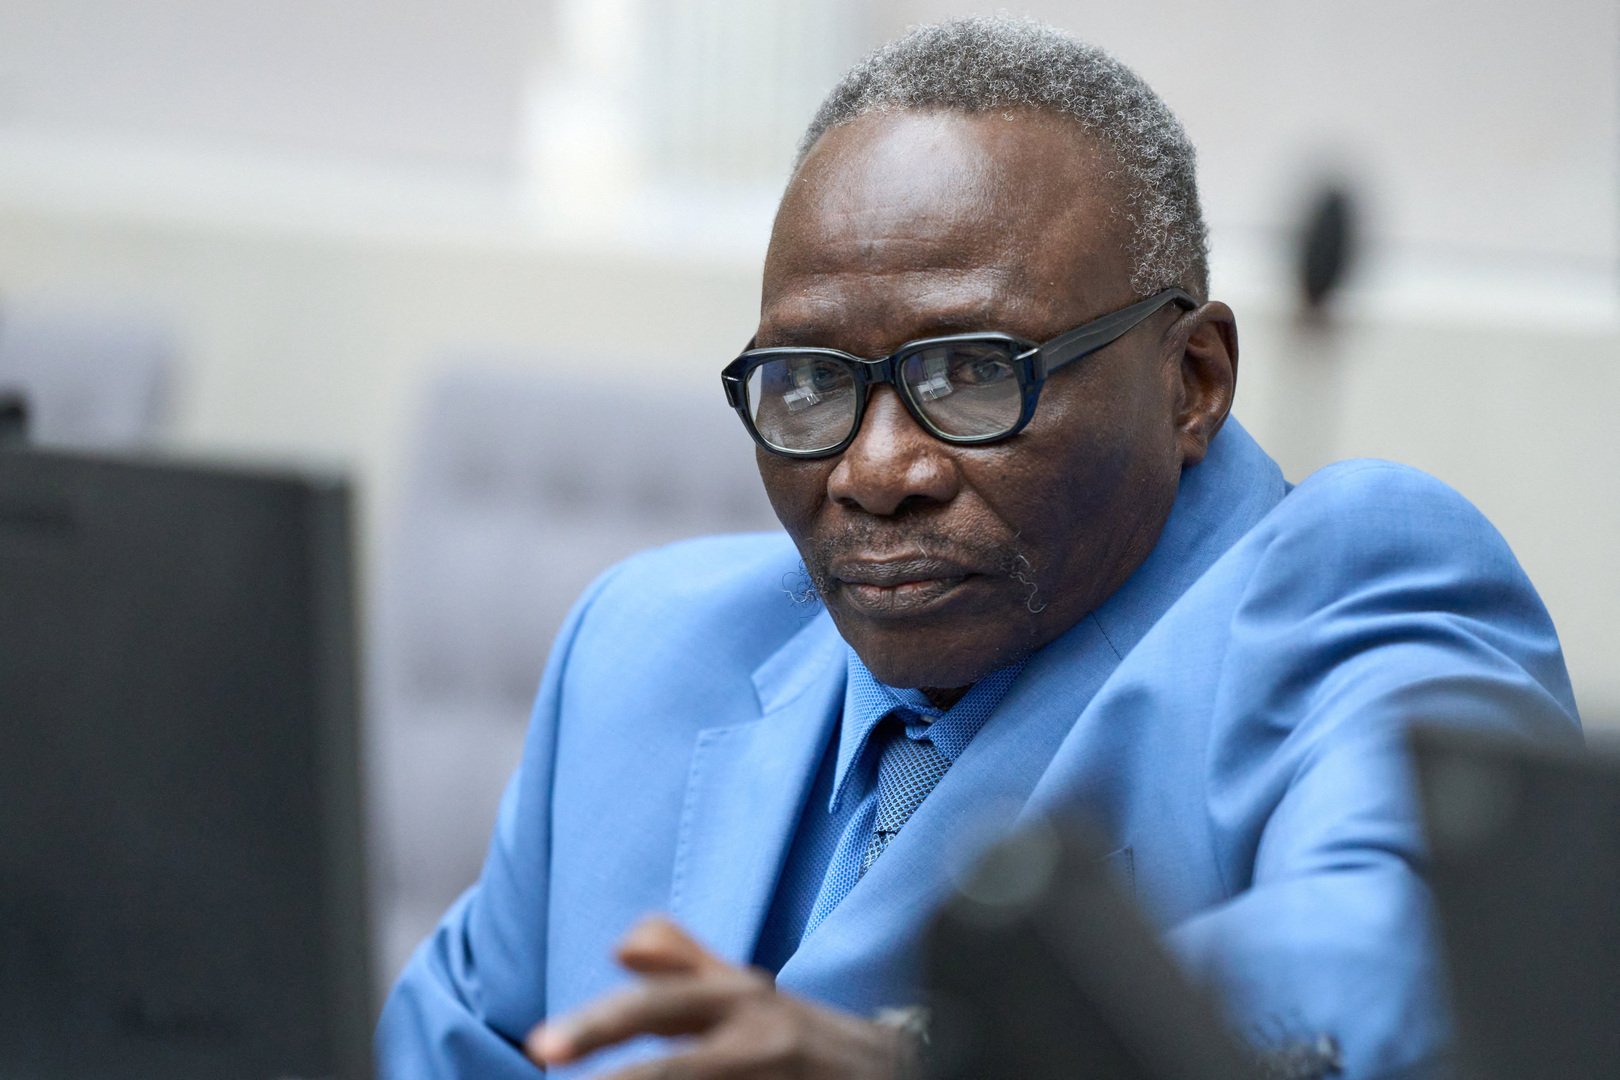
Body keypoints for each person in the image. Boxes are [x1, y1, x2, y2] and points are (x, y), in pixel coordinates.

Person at [377, 17, 1579, 1080]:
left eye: (970, 374)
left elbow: (1417, 972)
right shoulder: (641, 649)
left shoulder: (1345, 590)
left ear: (1193, 380)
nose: (875, 471)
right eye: (809, 385)